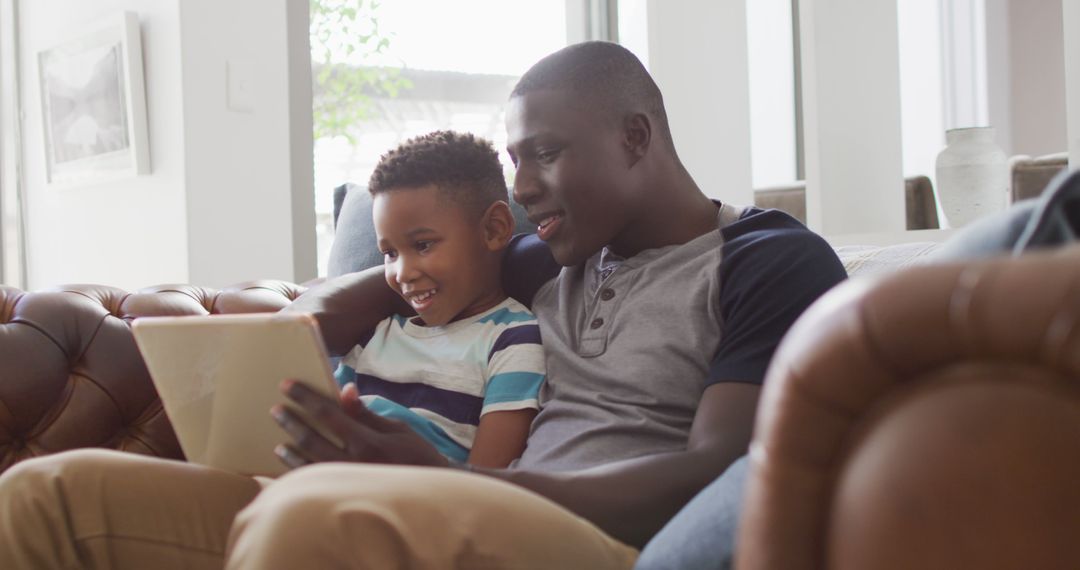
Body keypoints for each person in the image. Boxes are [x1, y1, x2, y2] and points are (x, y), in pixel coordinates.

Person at [0, 41, 846, 569]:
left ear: (635, 136)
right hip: (450, 513)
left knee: (315, 518)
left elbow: (721, 475)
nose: (522, 188)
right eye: (515, 162)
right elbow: (334, 311)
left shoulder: (768, 261)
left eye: (544, 154)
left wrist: (439, 477)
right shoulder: (542, 259)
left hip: (598, 544)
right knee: (47, 493)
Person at [322, 130, 544, 469]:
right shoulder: (375, 336)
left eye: (423, 246)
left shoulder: (514, 341)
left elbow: (487, 482)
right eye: (390, 253)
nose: (403, 272)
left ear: (494, 229)